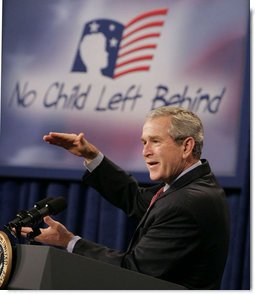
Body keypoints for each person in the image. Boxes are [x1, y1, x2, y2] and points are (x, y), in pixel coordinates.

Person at [21, 106, 230, 290]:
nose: (145, 152)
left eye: (155, 141)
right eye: (144, 142)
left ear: (186, 146)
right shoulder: (192, 184)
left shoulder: (186, 202)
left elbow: (133, 271)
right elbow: (137, 200)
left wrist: (68, 241)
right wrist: (91, 156)